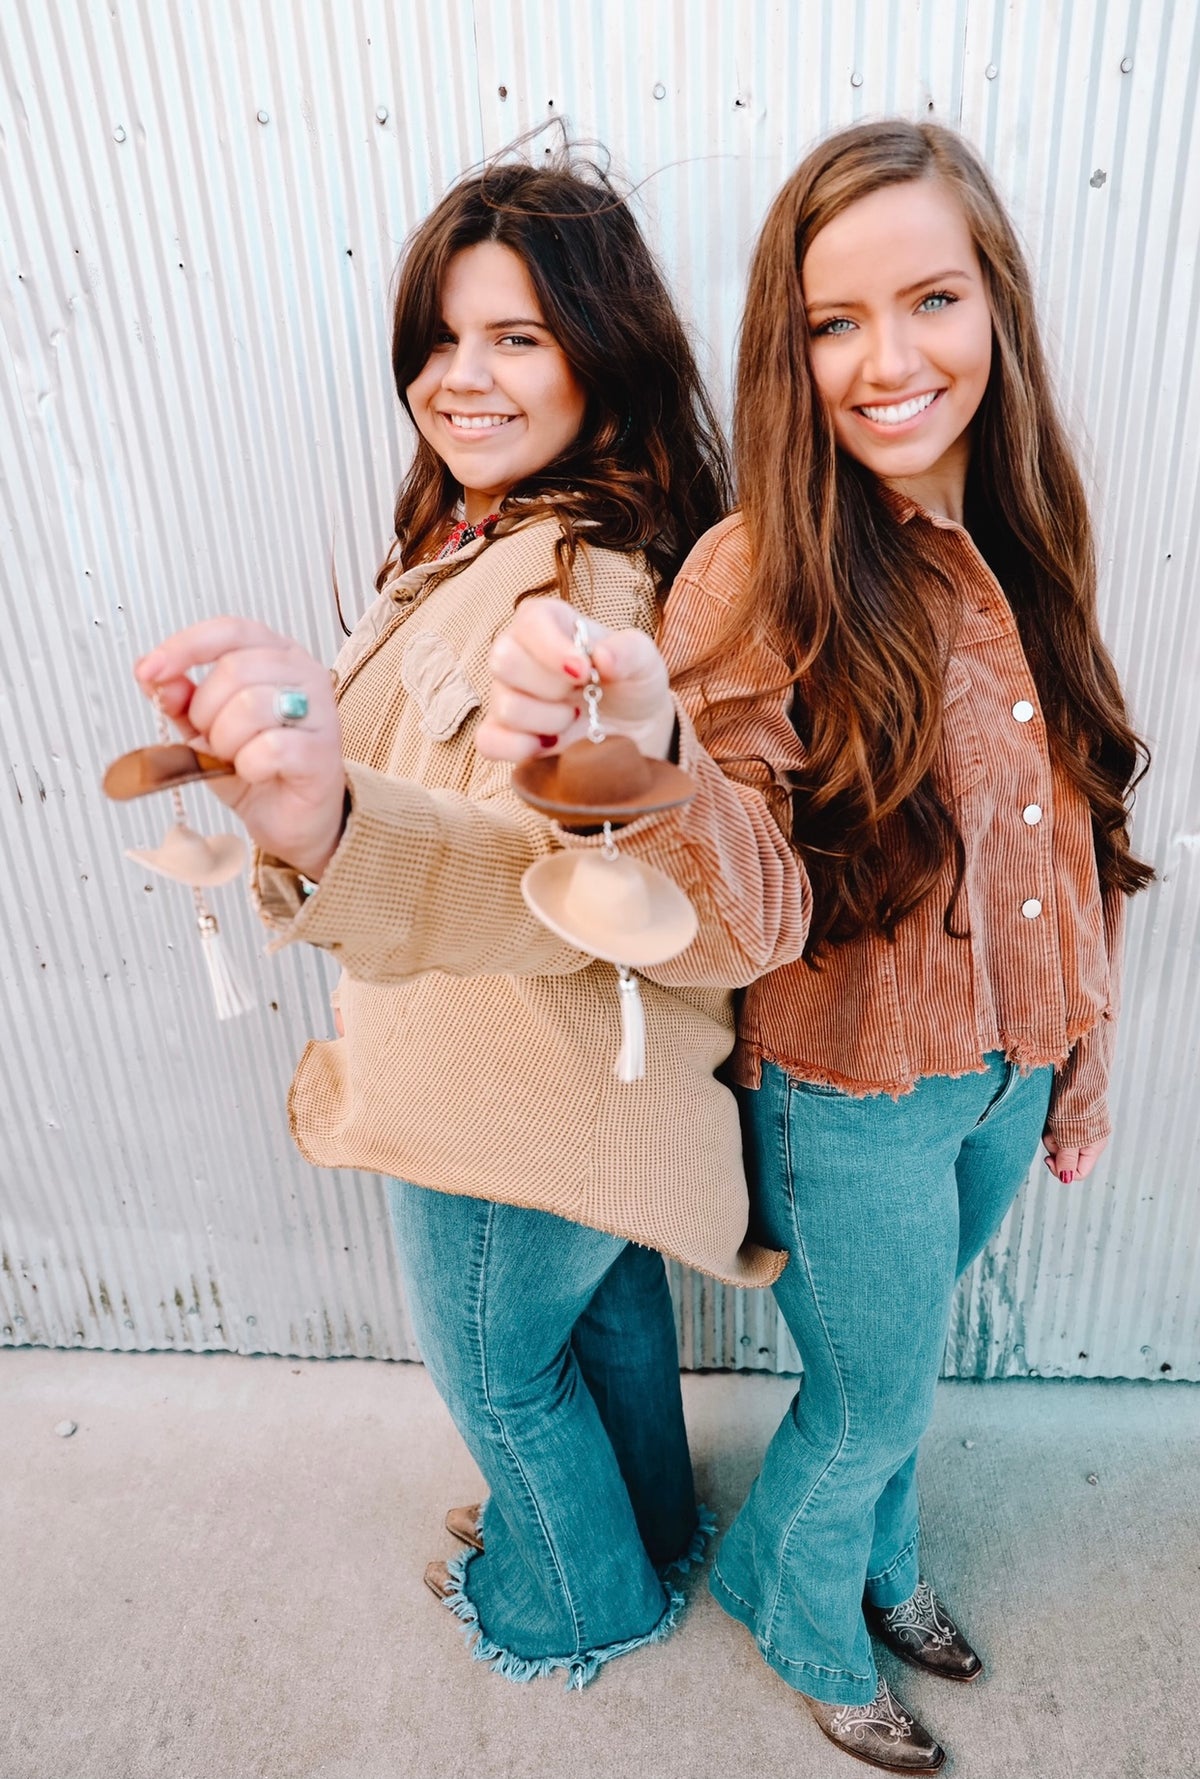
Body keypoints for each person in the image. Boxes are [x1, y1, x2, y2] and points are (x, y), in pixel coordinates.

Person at [482, 119, 1151, 1769]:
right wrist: (657, 755)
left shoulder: (1032, 530)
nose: (888, 359)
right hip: (853, 1092)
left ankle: (883, 1563)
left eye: (928, 299)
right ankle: (796, 1602)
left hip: (1009, 1070)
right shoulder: (755, 576)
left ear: (992, 303)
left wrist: (1080, 1067)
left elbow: (1063, 839)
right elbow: (744, 908)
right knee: (876, 1398)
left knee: (897, 1378)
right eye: (834, 321)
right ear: (791, 350)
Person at [132, 146, 812, 1690]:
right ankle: (648, 1536)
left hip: (507, 1088)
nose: (462, 376)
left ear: (603, 354)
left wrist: (329, 819)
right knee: (614, 1324)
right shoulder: (484, 536)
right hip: (576, 1103)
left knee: (504, 1377)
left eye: (516, 337)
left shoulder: (576, 589)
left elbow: (542, 870)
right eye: (443, 339)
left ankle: (570, 1602)